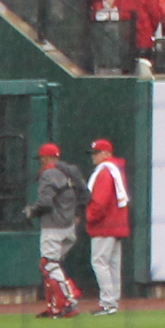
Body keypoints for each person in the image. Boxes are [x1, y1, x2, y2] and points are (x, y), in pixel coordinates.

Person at [24, 140, 84, 318]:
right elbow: (84, 194)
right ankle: (55, 307)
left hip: (53, 227)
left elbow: (45, 202)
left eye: (41, 158)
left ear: (46, 158)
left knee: (49, 264)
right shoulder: (69, 172)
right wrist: (78, 214)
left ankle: (69, 302)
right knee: (49, 266)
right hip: (69, 227)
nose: (40, 161)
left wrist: (31, 211)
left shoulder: (49, 174)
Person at [81, 136, 132, 315]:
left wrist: (89, 217)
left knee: (100, 262)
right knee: (112, 264)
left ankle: (108, 302)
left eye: (97, 153)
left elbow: (99, 202)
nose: (93, 157)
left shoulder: (104, 172)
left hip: (104, 225)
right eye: (93, 153)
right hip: (116, 224)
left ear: (106, 153)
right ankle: (113, 301)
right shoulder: (116, 169)